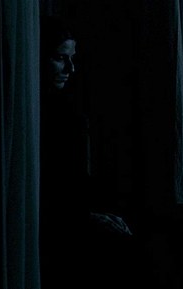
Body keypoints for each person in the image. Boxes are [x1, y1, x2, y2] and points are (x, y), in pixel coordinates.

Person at [38, 16, 139, 289]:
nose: (70, 68)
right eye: (60, 58)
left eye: (72, 59)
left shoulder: (67, 110)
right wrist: (86, 217)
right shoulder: (44, 116)